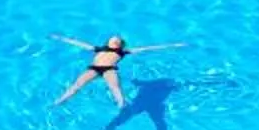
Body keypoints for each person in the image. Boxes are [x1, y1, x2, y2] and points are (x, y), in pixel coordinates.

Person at [51, 33, 185, 107]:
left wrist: (173, 45)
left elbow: (148, 48)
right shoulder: (98, 49)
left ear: (121, 45)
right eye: (113, 39)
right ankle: (61, 100)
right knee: (77, 85)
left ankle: (122, 104)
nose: (115, 41)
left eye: (118, 41)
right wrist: (62, 38)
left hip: (109, 69)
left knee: (115, 87)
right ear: (108, 42)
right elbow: (79, 43)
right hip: (94, 68)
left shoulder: (123, 52)